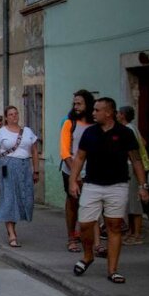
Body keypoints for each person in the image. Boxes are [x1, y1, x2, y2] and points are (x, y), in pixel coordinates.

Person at [69, 97, 149, 284]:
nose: (93, 113)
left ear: (109, 112)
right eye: (94, 110)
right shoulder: (90, 132)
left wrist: (142, 186)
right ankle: (88, 256)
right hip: (92, 185)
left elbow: (136, 160)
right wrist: (74, 180)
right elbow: (79, 158)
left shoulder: (125, 133)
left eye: (97, 110)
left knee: (114, 226)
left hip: (117, 185)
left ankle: (112, 270)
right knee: (85, 224)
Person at [0, 105, 39, 247]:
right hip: (7, 166)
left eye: (16, 113)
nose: (14, 116)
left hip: (24, 167)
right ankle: (11, 233)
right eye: (11, 114)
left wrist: (36, 170)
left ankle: (13, 227)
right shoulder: (1, 133)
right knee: (9, 197)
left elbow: (34, 151)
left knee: (24, 197)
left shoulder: (27, 131)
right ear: (6, 117)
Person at [59, 91, 96, 253]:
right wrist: (75, 172)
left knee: (91, 205)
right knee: (73, 203)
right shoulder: (69, 123)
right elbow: (65, 151)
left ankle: (91, 239)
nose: (76, 106)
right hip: (70, 169)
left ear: (87, 104)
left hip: (91, 171)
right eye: (74, 104)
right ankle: (71, 237)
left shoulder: (94, 125)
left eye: (79, 103)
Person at [118, 105, 149, 245]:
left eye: (119, 113)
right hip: (129, 167)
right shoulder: (132, 128)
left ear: (123, 115)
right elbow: (143, 142)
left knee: (134, 203)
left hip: (132, 167)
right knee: (130, 202)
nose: (117, 115)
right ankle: (132, 232)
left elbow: (137, 146)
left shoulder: (128, 129)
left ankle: (137, 234)